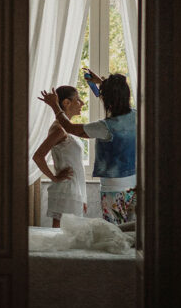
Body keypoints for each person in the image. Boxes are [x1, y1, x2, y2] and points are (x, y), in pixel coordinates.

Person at [39, 71, 137, 226]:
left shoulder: (105, 127)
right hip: (134, 185)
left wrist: (54, 106)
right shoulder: (137, 116)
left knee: (115, 232)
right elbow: (117, 96)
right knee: (134, 232)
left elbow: (70, 128)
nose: (83, 103)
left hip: (113, 188)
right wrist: (101, 83)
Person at [31, 85, 87, 228]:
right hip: (65, 190)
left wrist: (82, 197)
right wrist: (54, 178)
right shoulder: (59, 129)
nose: (82, 103)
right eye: (78, 99)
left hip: (73, 190)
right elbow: (38, 156)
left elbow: (77, 166)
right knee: (61, 235)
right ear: (66, 103)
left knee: (70, 235)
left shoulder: (67, 128)